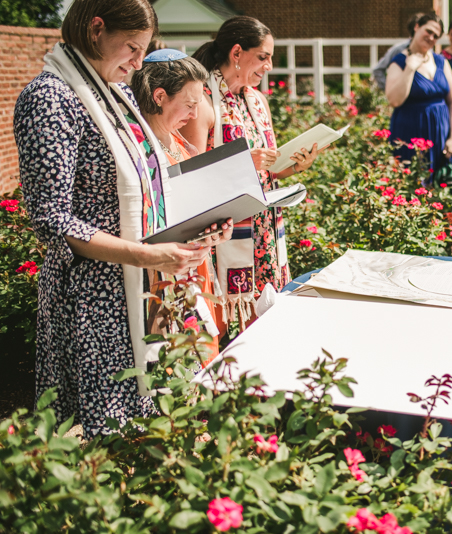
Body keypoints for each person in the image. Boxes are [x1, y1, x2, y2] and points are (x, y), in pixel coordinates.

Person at [13, 0, 233, 437]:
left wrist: (203, 226)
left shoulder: (111, 92)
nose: (139, 63)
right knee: (108, 438)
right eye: (133, 48)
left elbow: (152, 184)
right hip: (94, 299)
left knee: (152, 426)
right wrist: (147, 256)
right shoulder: (51, 97)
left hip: (137, 284)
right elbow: (52, 219)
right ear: (97, 29)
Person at [182, 16, 321, 322]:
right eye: (263, 57)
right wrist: (243, 164)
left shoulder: (258, 101)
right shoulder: (202, 102)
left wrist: (295, 166)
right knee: (232, 326)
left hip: (265, 232)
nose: (268, 66)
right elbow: (188, 175)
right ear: (236, 54)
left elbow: (268, 170)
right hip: (225, 233)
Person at [130, 50, 226, 357]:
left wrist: (216, 230)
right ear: (159, 96)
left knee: (203, 360)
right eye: (189, 104)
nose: (196, 116)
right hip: (163, 280)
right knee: (174, 366)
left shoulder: (179, 141)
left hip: (196, 273)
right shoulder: (137, 150)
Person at [385, 13, 452, 175]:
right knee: (411, 185)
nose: (431, 37)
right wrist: (410, 69)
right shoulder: (399, 62)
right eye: (429, 31)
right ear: (417, 27)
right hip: (409, 134)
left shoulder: (441, 61)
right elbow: (395, 100)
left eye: (436, 36)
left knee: (443, 184)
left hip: (441, 134)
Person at [372, 13, 423, 91]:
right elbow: (378, 69)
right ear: (415, 29)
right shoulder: (399, 50)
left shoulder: (430, 53)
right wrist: (389, 89)